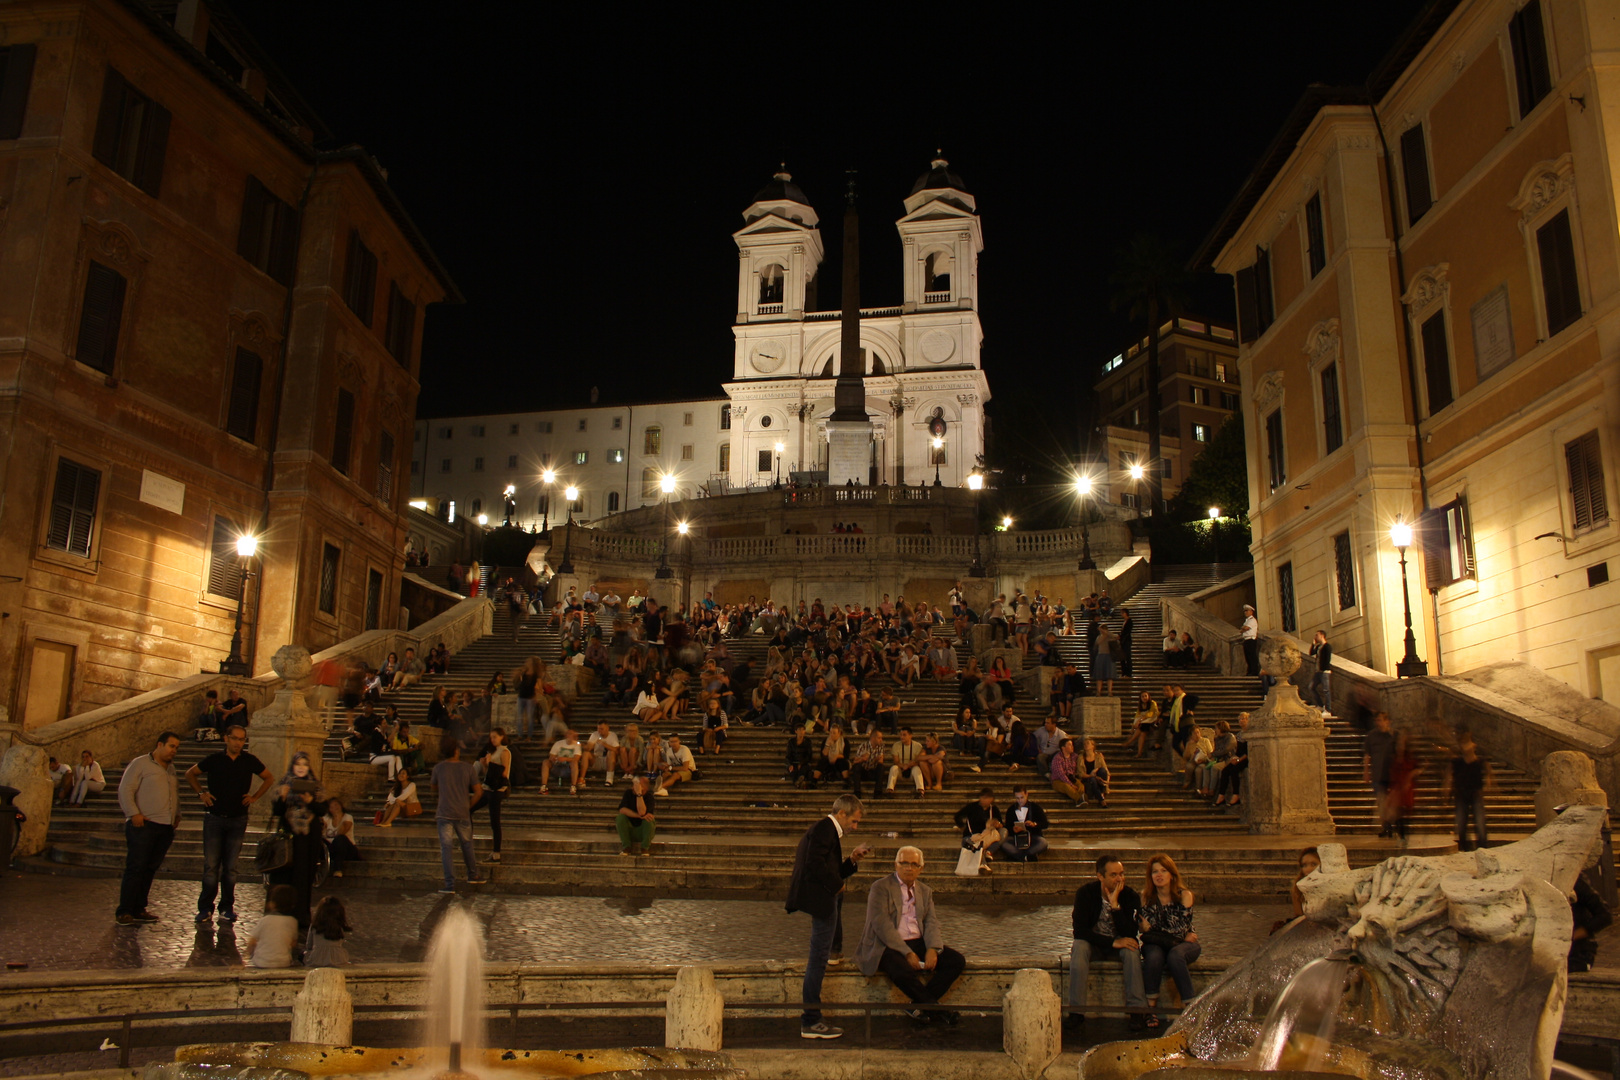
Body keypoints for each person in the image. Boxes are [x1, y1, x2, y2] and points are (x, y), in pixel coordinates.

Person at [785, 795, 871, 1040]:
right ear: (842, 813)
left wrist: (852, 860)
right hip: (822, 902)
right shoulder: (825, 828)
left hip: (824, 900)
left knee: (820, 958)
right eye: (854, 821)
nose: (855, 827)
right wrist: (837, 886)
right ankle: (810, 1021)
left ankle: (811, 1019)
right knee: (818, 960)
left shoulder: (828, 832)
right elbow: (814, 864)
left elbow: (828, 867)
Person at [856, 846, 967, 1025]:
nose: (909, 868)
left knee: (956, 961)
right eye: (904, 863)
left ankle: (917, 1005)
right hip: (886, 944)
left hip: (918, 940)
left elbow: (931, 922)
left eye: (914, 864)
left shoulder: (925, 891)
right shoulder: (880, 887)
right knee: (902, 970)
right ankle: (936, 1009)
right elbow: (881, 924)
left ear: (921, 868)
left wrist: (932, 948)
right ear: (896, 865)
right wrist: (906, 952)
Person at [186, 724, 273, 924]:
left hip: (238, 818)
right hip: (214, 817)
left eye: (242, 739)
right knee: (211, 866)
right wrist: (201, 793)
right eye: (235, 738)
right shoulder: (215, 760)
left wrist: (254, 797)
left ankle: (227, 907)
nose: (238, 743)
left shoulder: (249, 761)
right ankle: (205, 908)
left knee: (231, 867)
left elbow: (268, 777)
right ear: (226, 739)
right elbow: (191, 773)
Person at [1067, 853, 1147, 1031]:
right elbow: (1080, 931)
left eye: (1122, 873)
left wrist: (1116, 906)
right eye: (1114, 875)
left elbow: (1130, 932)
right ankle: (1077, 1011)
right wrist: (1111, 942)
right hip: (1095, 943)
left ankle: (1137, 1011)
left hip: (1120, 943)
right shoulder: (1085, 893)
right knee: (1079, 947)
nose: (1119, 879)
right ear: (1100, 876)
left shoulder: (1130, 896)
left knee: (1132, 949)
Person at [115, 731, 182, 927]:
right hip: (143, 825)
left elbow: (174, 793)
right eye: (171, 746)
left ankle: (139, 908)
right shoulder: (140, 764)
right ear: (160, 745)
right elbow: (125, 789)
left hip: (165, 826)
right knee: (136, 867)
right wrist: (133, 813)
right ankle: (125, 910)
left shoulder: (171, 769)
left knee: (150, 869)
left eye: (177, 748)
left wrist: (177, 814)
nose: (174, 751)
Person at [1139, 853, 1200, 1028]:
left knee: (1175, 956)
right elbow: (1144, 928)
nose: (1158, 875)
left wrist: (1153, 929)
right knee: (1154, 957)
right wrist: (1163, 932)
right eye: (1154, 872)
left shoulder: (1184, 895)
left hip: (1185, 945)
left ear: (1172, 874)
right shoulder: (1146, 897)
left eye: (1163, 871)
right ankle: (1151, 1010)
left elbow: (1181, 931)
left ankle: (1190, 1007)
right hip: (1157, 945)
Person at [267, 751, 324, 929]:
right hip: (289, 838)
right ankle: (283, 912)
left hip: (308, 839)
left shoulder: (316, 786)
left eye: (305, 764)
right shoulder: (284, 784)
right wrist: (283, 797)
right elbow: (276, 811)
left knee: (304, 876)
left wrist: (310, 801)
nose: (301, 767)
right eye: (298, 764)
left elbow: (322, 809)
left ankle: (302, 914)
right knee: (286, 875)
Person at [431, 735, 485, 892]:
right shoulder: (467, 768)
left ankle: (450, 884)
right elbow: (478, 791)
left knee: (446, 848)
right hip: (462, 811)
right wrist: (468, 806)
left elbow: (433, 788)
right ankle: (473, 875)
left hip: (444, 812)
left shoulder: (438, 768)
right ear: (456, 750)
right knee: (467, 845)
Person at [1444, 727, 1492, 852]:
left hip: (1475, 792)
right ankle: (1464, 848)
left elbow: (1488, 772)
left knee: (1480, 823)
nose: (1465, 746)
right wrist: (1447, 788)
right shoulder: (1457, 762)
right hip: (1461, 793)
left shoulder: (1479, 761)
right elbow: (1449, 775)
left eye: (1467, 743)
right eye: (1463, 743)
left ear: (1473, 745)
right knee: (1461, 823)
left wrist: (1488, 781)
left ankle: (1483, 847)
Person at [471, 728, 511, 862]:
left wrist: (489, 764)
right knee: (468, 810)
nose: (492, 739)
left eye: (495, 737)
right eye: (491, 737)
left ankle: (496, 852)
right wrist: (484, 765)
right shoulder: (491, 751)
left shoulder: (504, 752)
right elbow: (488, 772)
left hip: (497, 790)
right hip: (487, 787)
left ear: (501, 737)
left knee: (495, 822)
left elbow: (504, 773)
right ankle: (467, 841)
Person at [245, 884, 301, 969]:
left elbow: (252, 942)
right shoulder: (293, 921)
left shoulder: (265, 920)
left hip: (262, 962)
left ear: (273, 904)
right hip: (283, 962)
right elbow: (293, 943)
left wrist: (244, 960)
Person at [953, 788, 1004, 876]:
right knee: (975, 845)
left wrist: (996, 824)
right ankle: (983, 865)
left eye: (987, 798)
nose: (985, 800)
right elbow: (958, 816)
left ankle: (988, 852)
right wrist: (962, 826)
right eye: (983, 798)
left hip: (987, 837)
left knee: (1003, 833)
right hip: (972, 836)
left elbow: (1001, 823)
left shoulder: (994, 809)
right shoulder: (972, 807)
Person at [1271, 847, 1321, 934]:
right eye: (1304, 865)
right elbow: (1299, 917)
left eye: (1313, 864)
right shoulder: (1297, 889)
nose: (1308, 869)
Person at [1362, 712, 1397, 835]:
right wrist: (1366, 771)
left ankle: (1393, 823)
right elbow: (1367, 755)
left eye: (1381, 720)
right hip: (1378, 773)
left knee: (1391, 801)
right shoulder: (1371, 736)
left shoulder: (1394, 735)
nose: (1379, 723)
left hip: (1392, 773)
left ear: (1387, 721)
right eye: (1377, 720)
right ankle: (1386, 826)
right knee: (1381, 801)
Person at [999, 784, 1049, 862]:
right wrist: (1013, 829)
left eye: (1022, 797)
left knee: (1043, 843)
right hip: (1016, 838)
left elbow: (1045, 824)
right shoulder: (1011, 809)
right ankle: (1027, 856)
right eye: (1017, 798)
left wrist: (1034, 824)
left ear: (1026, 794)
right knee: (1003, 843)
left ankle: (1019, 856)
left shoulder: (1035, 807)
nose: (1020, 800)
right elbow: (1008, 826)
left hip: (1032, 837)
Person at [305, 895, 352, 968]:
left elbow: (309, 945)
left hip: (317, 959)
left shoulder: (315, 926)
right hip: (338, 959)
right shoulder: (340, 926)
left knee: (301, 955)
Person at [616, 775, 657, 857]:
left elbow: (642, 812)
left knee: (649, 820)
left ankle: (645, 848)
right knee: (620, 818)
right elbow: (622, 809)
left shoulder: (649, 797)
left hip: (642, 830)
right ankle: (626, 847)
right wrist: (638, 816)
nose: (633, 787)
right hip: (629, 828)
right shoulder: (628, 793)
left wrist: (639, 794)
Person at [322, 797, 361, 878]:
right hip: (331, 848)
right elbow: (322, 831)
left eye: (336, 805)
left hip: (346, 849)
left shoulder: (347, 817)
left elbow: (341, 832)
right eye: (331, 807)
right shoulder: (326, 818)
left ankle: (338, 869)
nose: (335, 808)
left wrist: (338, 818)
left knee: (340, 839)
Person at [541, 728, 584, 795]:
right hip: (557, 765)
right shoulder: (558, 743)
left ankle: (573, 786)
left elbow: (576, 759)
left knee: (574, 763)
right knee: (546, 762)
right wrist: (556, 758)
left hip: (568, 767)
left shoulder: (577, 745)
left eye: (571, 734)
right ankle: (544, 786)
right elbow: (551, 756)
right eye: (568, 734)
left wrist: (565, 759)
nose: (570, 735)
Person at [848, 729, 887, 800]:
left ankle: (878, 792)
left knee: (881, 767)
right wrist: (862, 759)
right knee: (856, 767)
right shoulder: (863, 746)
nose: (881, 740)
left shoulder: (881, 747)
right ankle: (857, 792)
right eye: (879, 738)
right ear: (873, 738)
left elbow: (881, 761)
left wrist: (876, 759)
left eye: (881, 738)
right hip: (864, 771)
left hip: (873, 772)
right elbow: (854, 762)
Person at [888, 727, 926, 798]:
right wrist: (903, 766)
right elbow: (896, 761)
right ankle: (890, 790)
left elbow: (918, 761)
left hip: (912, 770)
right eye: (901, 735)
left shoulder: (917, 746)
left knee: (916, 769)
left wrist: (908, 765)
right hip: (901, 770)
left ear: (910, 735)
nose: (902, 737)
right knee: (894, 768)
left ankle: (920, 791)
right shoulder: (896, 745)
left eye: (904, 735)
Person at [1124, 691, 1160, 758]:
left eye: (1145, 696)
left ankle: (1129, 742)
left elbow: (1151, 714)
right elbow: (1137, 716)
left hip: (1152, 721)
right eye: (1142, 696)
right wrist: (1133, 728)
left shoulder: (1152, 703)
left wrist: (1140, 720)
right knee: (1142, 734)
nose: (1144, 698)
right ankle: (1139, 752)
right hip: (1144, 724)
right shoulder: (1141, 705)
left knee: (1142, 725)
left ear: (1148, 696)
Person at [585, 721, 621, 785]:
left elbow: (616, 750)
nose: (599, 731)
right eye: (598, 729)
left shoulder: (612, 735)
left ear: (607, 728)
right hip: (597, 759)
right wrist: (591, 744)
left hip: (608, 760)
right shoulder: (594, 735)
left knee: (611, 752)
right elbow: (588, 748)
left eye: (602, 729)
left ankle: (609, 779)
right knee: (586, 754)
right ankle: (581, 778)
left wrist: (604, 744)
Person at [1050, 738, 1083, 806]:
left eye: (1072, 745)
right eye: (1069, 745)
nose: (1072, 747)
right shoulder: (1058, 758)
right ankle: (1079, 799)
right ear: (1063, 747)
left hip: (1071, 777)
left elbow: (1083, 757)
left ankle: (1081, 799)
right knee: (1067, 786)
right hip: (1058, 780)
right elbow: (1061, 774)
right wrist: (1071, 785)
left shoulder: (1074, 756)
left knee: (1080, 785)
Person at [1078, 737, 1110, 807]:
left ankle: (1102, 790)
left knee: (1102, 770)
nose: (1086, 745)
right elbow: (1081, 774)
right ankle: (1101, 799)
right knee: (1092, 779)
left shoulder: (1098, 756)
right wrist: (1091, 775)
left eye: (1088, 743)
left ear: (1093, 746)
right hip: (1087, 779)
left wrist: (1107, 781)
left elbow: (1106, 770)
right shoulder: (1081, 757)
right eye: (1084, 744)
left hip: (1098, 779)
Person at [785, 721, 817, 787]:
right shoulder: (791, 742)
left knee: (805, 769)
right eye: (799, 730)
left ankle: (799, 780)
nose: (801, 732)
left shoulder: (807, 741)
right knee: (793, 770)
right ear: (796, 731)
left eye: (803, 730)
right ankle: (799, 782)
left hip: (804, 762)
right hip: (794, 762)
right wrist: (790, 764)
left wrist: (801, 763)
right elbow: (788, 755)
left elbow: (809, 755)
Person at [1308, 630, 1333, 713]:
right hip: (1318, 671)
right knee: (1311, 687)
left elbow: (1327, 659)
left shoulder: (1327, 646)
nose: (1315, 637)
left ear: (1322, 635)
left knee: (1326, 690)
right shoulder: (1319, 647)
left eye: (1317, 635)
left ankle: (1328, 709)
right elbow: (1311, 653)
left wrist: (1323, 669)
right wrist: (1313, 644)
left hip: (1324, 671)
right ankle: (1320, 705)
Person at [1093, 624, 1120, 697]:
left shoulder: (1110, 636)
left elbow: (1116, 637)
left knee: (1110, 675)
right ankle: (1098, 691)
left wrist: (1106, 633)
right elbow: (1098, 643)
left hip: (1109, 656)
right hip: (1100, 655)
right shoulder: (1099, 637)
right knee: (1099, 675)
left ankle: (1109, 691)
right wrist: (1104, 635)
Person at [1240, 604, 1259, 678]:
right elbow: (1242, 629)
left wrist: (1243, 628)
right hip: (1246, 640)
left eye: (1247, 611)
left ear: (1251, 611)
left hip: (1251, 639)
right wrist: (1242, 628)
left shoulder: (1252, 620)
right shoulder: (1247, 620)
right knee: (1247, 656)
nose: (1245, 612)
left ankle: (1254, 671)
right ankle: (1250, 670)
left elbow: (1246, 628)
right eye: (1245, 611)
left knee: (1252, 656)